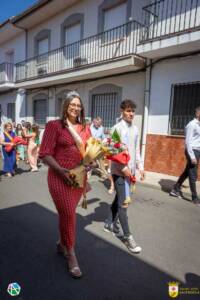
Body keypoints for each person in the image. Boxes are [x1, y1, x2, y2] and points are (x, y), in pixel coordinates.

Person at [39, 91, 91, 278]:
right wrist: (61, 170)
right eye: (72, 104)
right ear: (66, 106)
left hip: (78, 178)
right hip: (59, 177)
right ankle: (71, 254)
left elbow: (88, 151)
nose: (76, 108)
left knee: (66, 214)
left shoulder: (85, 127)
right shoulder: (55, 126)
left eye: (78, 105)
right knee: (69, 213)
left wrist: (91, 161)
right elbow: (44, 153)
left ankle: (62, 243)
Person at [104, 99, 145, 254]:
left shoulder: (135, 129)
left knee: (119, 199)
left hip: (131, 171)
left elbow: (137, 150)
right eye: (128, 111)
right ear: (122, 111)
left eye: (133, 111)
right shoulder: (116, 129)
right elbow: (112, 152)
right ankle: (128, 237)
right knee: (124, 204)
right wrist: (124, 167)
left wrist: (140, 167)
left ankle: (109, 223)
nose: (131, 113)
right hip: (119, 172)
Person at [170, 107, 200, 206]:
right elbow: (188, 142)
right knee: (193, 175)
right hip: (192, 151)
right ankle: (195, 198)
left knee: (188, 172)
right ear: (197, 113)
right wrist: (192, 157)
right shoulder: (192, 125)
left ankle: (175, 189)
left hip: (197, 151)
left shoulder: (198, 125)